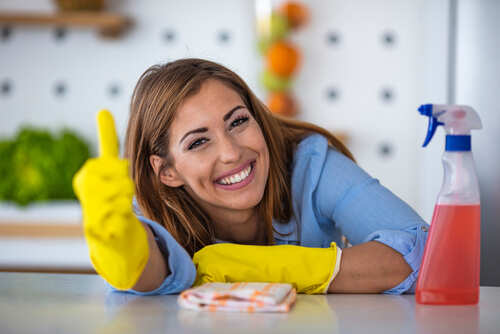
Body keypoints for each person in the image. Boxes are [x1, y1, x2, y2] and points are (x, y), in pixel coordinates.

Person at [73, 58, 429, 296]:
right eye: (198, 142)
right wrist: (117, 247)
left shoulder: (309, 163)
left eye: (238, 121)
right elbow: (151, 274)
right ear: (167, 171)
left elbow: (424, 251)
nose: (230, 152)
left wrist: (261, 268)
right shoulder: (133, 208)